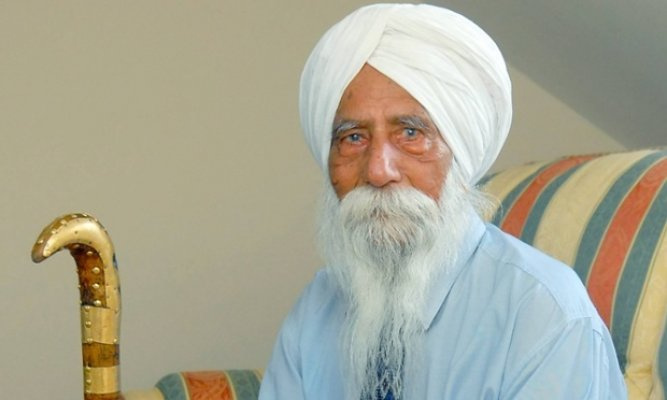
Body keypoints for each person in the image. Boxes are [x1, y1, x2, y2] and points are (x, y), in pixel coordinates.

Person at [259, 3, 626, 399]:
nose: (379, 171)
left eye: (410, 133)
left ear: (459, 154)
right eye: (353, 138)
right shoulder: (316, 309)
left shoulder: (543, 312)